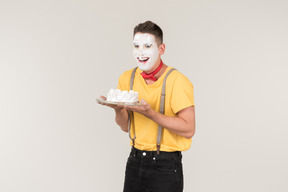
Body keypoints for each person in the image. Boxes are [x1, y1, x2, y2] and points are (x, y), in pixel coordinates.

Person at [98, 20, 195, 192]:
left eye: (147, 46)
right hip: (135, 160)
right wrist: (118, 109)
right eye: (136, 46)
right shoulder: (127, 78)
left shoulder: (177, 81)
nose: (140, 52)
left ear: (161, 49)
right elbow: (125, 126)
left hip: (165, 165)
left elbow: (189, 129)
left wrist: (151, 113)